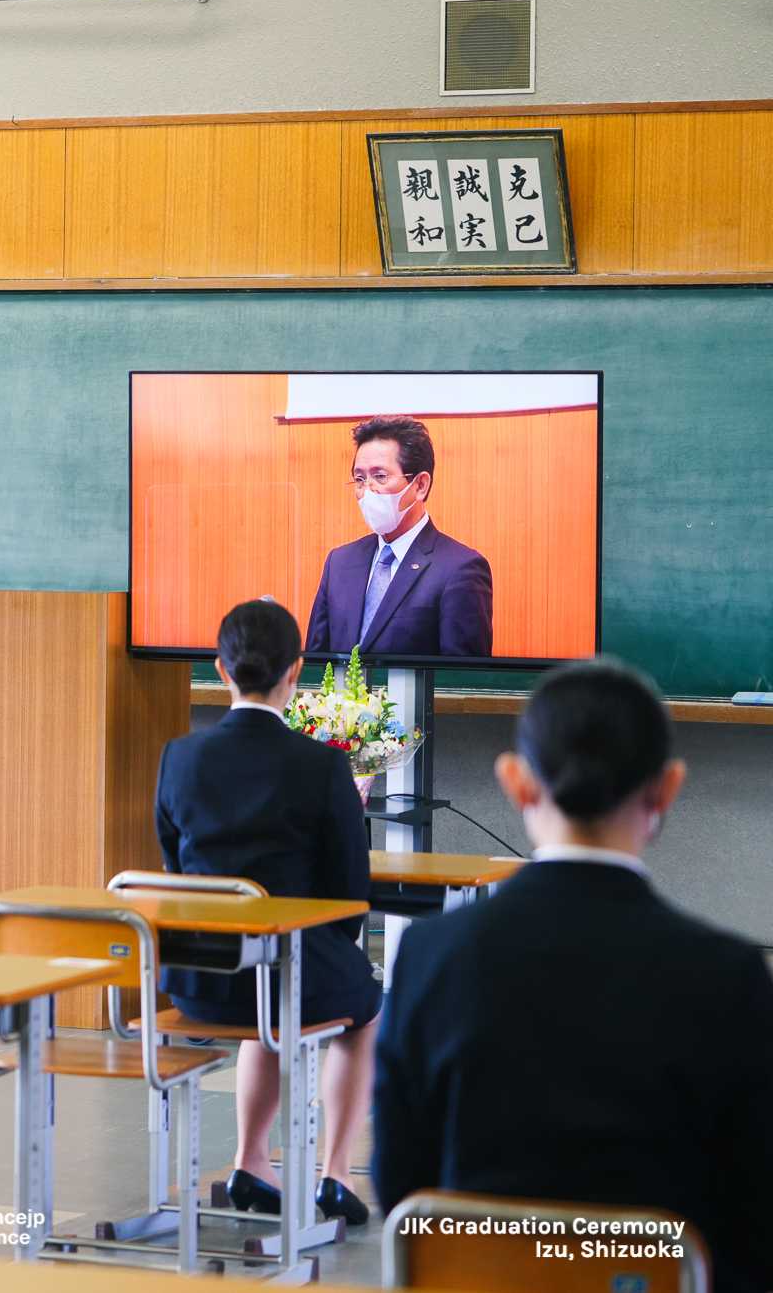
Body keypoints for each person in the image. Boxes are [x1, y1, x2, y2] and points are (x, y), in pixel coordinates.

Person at [374, 662, 773, 1293]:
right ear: (667, 788)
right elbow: (754, 1225)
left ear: (517, 781)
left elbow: (400, 1186)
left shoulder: (430, 956)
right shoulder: (728, 976)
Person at [154, 599, 378, 1225]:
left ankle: (252, 1158)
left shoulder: (179, 757)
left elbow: (175, 872)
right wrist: (332, 951)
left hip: (198, 987)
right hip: (291, 978)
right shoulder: (323, 764)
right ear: (296, 672)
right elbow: (349, 895)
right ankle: (334, 1173)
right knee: (362, 1006)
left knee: (271, 991)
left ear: (220, 670)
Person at [305, 416, 493, 658]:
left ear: (420, 485)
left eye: (380, 476)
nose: (367, 489)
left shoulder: (459, 568)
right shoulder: (339, 562)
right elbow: (316, 664)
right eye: (360, 479)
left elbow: (463, 685)